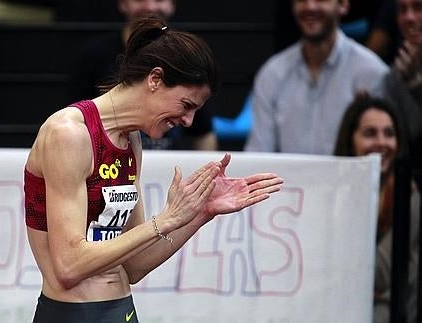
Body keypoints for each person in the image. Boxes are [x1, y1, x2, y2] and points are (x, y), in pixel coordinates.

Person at [24, 18, 284, 322]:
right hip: (72, 313)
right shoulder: (69, 134)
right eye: (186, 105)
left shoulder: (131, 139)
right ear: (155, 79)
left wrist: (198, 213)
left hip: (121, 310)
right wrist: (165, 219)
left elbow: (135, 266)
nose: (188, 121)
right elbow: (68, 267)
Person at [68, 0, 218, 150]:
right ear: (154, 79)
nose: (150, 7)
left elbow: (204, 133)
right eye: (140, 0)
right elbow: (74, 121)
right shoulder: (69, 128)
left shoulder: (133, 137)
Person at [245, 0, 388, 155]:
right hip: (288, 179)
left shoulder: (372, 72)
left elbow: (381, 158)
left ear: (343, 5)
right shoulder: (272, 74)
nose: (310, 6)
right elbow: (258, 153)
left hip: (349, 179)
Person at [333, 95, 419, 323]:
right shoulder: (331, 195)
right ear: (350, 140)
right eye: (370, 133)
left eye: (389, 134)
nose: (382, 142)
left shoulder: (409, 197)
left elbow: (379, 272)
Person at [383, 0, 422, 167]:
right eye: (402, 10)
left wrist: (416, 87)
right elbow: (401, 152)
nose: (409, 18)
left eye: (418, 7)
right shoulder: (394, 76)